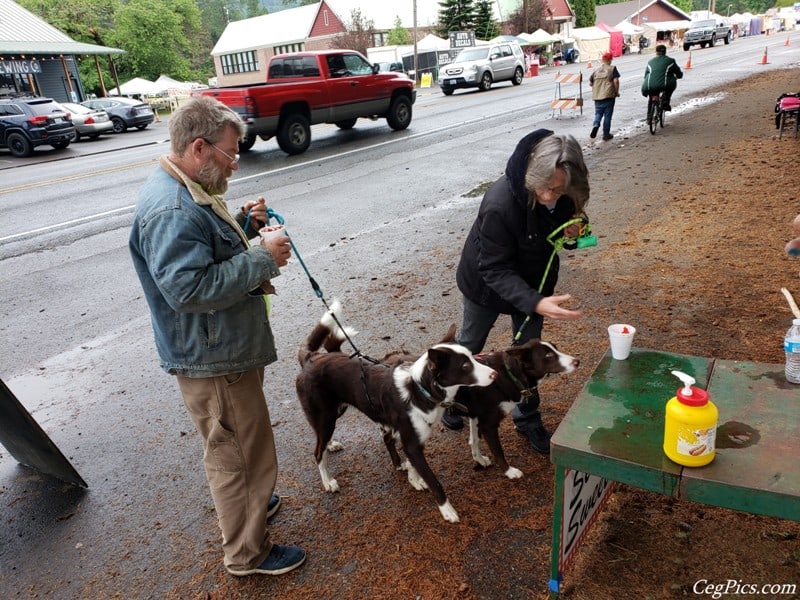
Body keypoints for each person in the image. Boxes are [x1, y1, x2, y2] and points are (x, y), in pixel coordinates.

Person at [128, 96, 305, 577]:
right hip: (214, 358)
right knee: (238, 457)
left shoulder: (183, 185)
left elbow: (203, 254)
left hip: (218, 351)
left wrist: (244, 227)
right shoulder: (171, 209)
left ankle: (253, 506)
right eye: (230, 155)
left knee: (238, 448)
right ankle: (249, 554)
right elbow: (188, 288)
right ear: (199, 148)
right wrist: (263, 256)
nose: (235, 163)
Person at [441, 130, 589, 454]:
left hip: (535, 285)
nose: (551, 196)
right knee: (469, 343)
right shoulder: (500, 203)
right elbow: (493, 268)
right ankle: (452, 399)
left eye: (559, 190)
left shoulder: (564, 190)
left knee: (529, 353)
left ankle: (528, 418)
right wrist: (535, 302)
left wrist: (573, 234)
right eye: (546, 188)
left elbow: (563, 231)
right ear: (532, 176)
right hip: (485, 284)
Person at [641, 44, 683, 111]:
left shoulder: (650, 62)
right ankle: (666, 101)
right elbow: (679, 74)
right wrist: (678, 76)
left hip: (649, 86)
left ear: (656, 52)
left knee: (651, 99)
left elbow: (646, 75)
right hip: (665, 86)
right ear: (665, 52)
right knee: (671, 84)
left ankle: (649, 118)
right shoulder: (671, 61)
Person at [589, 52, 621, 141]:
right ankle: (606, 134)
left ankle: (596, 124)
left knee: (598, 113)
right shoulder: (612, 69)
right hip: (608, 95)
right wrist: (616, 92)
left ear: (602, 60)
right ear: (610, 60)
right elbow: (616, 81)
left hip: (597, 96)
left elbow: (591, 83)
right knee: (608, 115)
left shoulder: (596, 70)